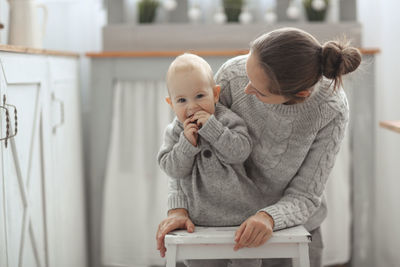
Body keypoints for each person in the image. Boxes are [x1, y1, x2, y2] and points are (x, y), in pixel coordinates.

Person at [156, 27, 362, 267]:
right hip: (218, 222)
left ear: (301, 94)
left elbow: (305, 194)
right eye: (248, 72)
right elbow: (187, 139)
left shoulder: (331, 110)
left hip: (289, 225)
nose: (246, 88)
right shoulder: (234, 75)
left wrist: (269, 217)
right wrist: (178, 208)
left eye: (259, 90)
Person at [158, 53, 263, 266]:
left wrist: (213, 129)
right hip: (198, 222)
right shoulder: (175, 132)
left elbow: (240, 151)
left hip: (241, 216)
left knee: (248, 262)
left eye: (199, 96)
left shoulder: (227, 119)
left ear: (215, 94)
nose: (192, 106)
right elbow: (172, 169)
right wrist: (187, 144)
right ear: (171, 104)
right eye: (181, 100)